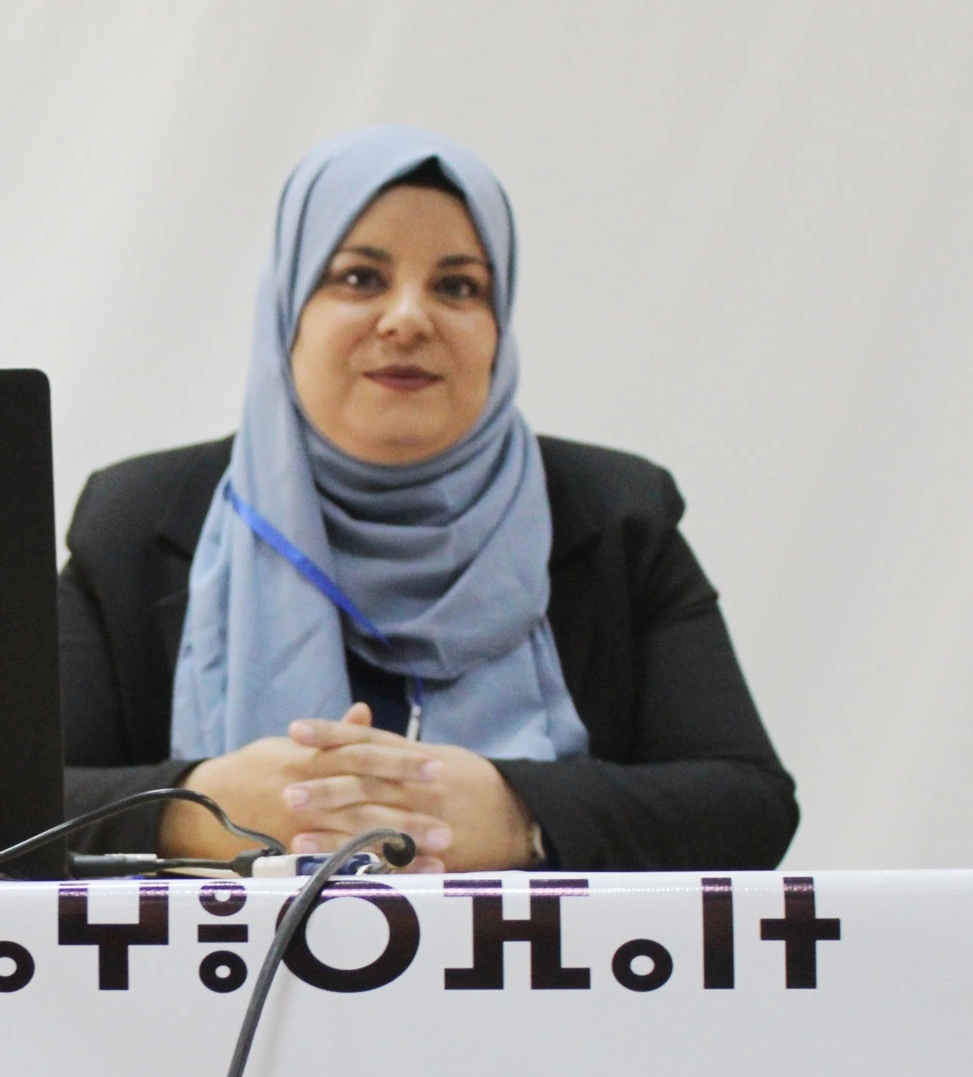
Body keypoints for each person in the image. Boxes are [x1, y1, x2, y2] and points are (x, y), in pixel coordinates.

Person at [59, 127, 797, 871]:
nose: (408, 318)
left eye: (458, 287)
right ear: (288, 309)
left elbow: (748, 805)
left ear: (498, 325)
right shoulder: (139, 522)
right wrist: (195, 809)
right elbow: (10, 807)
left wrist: (520, 814)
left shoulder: (614, 517)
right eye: (359, 278)